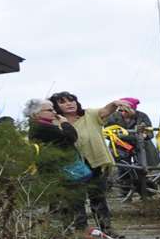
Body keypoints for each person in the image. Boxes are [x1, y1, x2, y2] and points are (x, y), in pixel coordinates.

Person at [40, 92, 127, 231]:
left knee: (98, 197)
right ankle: (80, 232)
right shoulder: (54, 122)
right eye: (63, 102)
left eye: (72, 100)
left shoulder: (89, 114)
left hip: (95, 161)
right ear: (55, 106)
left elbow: (105, 111)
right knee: (75, 200)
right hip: (70, 165)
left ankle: (106, 229)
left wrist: (115, 103)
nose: (69, 104)